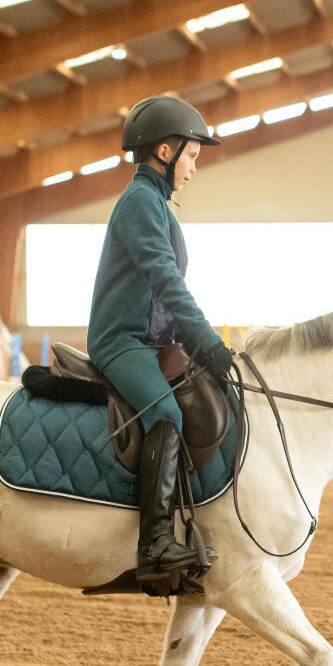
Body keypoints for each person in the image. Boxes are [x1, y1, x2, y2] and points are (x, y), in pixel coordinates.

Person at [87, 95, 236, 584]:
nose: (194, 168)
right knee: (167, 411)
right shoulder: (139, 203)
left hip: (153, 340)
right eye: (192, 156)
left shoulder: (157, 204)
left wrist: (194, 348)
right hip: (121, 341)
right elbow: (165, 279)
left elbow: (164, 292)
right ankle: (153, 544)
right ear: (167, 152)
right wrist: (207, 340)